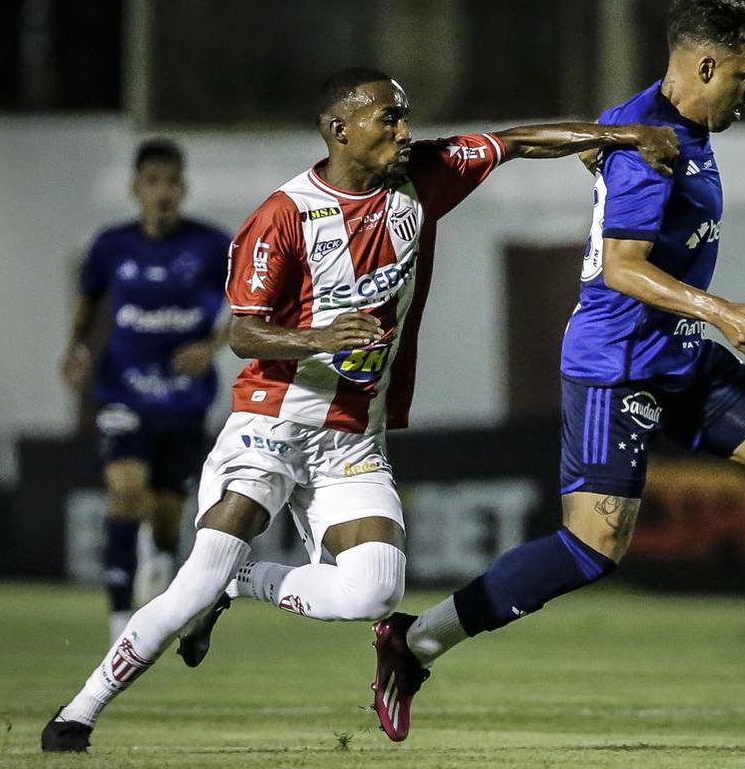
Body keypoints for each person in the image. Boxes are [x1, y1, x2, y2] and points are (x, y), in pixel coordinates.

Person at [41, 67, 679, 752]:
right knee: (193, 582)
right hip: (271, 426)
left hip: (352, 439)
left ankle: (243, 582)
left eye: (404, 116)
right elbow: (244, 333)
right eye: (389, 118)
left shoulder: (423, 177)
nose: (406, 131)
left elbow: (517, 141)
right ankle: (78, 713)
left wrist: (623, 136)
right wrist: (318, 338)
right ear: (339, 130)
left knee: (375, 593)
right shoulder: (283, 215)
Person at [371, 0, 745, 741]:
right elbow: (622, 268)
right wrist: (721, 311)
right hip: (619, 364)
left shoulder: (656, 126)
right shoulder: (650, 145)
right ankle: (416, 641)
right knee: (591, 549)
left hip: (676, 355)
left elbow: (607, 154)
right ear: (705, 66)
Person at [60, 138, 231, 644]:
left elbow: (254, 302)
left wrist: (212, 346)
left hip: (184, 398)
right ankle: (119, 617)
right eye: (153, 182)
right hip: (124, 390)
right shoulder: (111, 245)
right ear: (136, 188)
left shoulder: (212, 245)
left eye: (172, 182)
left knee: (166, 517)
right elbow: (89, 300)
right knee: (124, 488)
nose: (163, 192)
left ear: (184, 188)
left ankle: (158, 552)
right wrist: (76, 348)